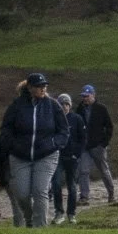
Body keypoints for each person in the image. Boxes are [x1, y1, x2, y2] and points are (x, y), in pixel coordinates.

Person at [0, 73, 67, 228]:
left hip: (46, 156)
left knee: (40, 191)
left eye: (44, 86)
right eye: (39, 86)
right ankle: (29, 219)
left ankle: (40, 229)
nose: (43, 88)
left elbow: (63, 131)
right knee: (22, 194)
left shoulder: (53, 105)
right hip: (20, 156)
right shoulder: (16, 106)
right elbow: (5, 129)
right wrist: (13, 145)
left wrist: (54, 143)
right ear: (29, 88)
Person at [76, 85, 115, 205]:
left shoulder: (101, 108)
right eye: (83, 96)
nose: (85, 98)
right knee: (83, 171)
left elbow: (109, 126)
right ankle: (84, 197)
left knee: (103, 170)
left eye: (87, 96)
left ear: (93, 95)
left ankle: (111, 193)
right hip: (85, 147)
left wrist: (104, 143)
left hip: (98, 146)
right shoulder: (80, 109)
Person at [49, 93, 84, 225]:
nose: (64, 106)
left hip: (72, 158)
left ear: (70, 105)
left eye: (66, 104)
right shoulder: (53, 119)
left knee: (72, 187)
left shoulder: (77, 119)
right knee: (56, 184)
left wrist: (77, 154)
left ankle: (71, 213)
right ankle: (59, 213)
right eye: (61, 104)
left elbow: (83, 139)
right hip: (57, 157)